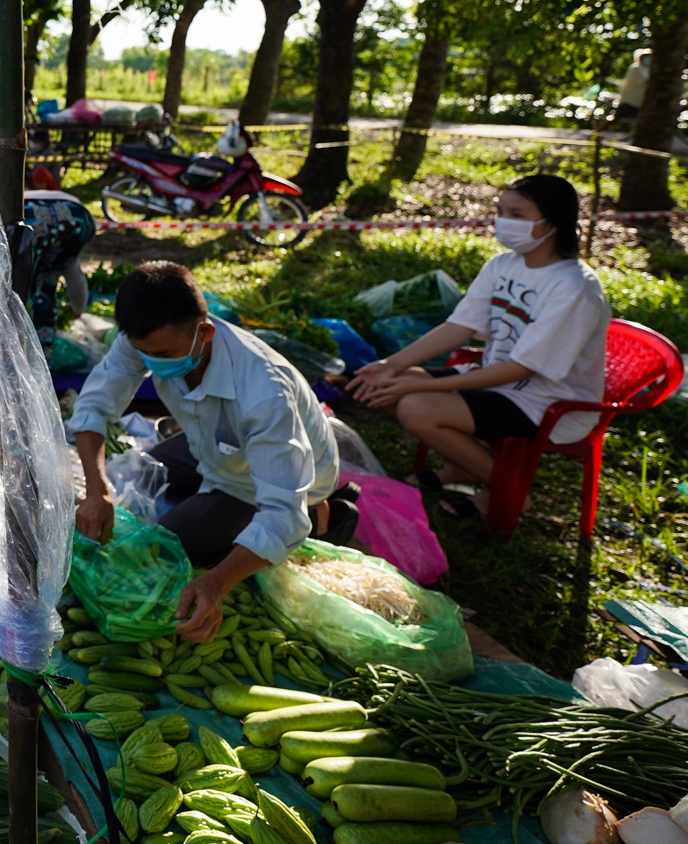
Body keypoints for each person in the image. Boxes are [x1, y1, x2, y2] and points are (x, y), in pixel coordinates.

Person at [68, 261, 356, 643]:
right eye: (143, 353)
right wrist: (97, 490)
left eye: (164, 353)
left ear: (205, 333)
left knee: (160, 549)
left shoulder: (264, 395)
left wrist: (217, 582)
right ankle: (223, 511)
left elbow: (281, 513)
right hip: (213, 445)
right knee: (137, 476)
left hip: (271, 476)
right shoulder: (146, 337)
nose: (153, 362)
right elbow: (92, 408)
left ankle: (322, 516)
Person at [349, 174, 610, 522]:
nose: (503, 222)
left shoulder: (574, 287)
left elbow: (522, 369)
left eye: (516, 214)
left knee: (415, 407)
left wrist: (422, 386)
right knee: (386, 385)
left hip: (547, 401)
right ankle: (465, 467)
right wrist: (390, 365)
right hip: (497, 381)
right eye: (501, 212)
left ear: (553, 224)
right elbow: (459, 327)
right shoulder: (502, 265)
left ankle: (508, 492)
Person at [615, 48, 652, 126]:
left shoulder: (646, 70)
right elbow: (645, 81)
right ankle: (598, 131)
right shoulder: (636, 68)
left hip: (638, 100)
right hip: (630, 100)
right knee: (618, 118)